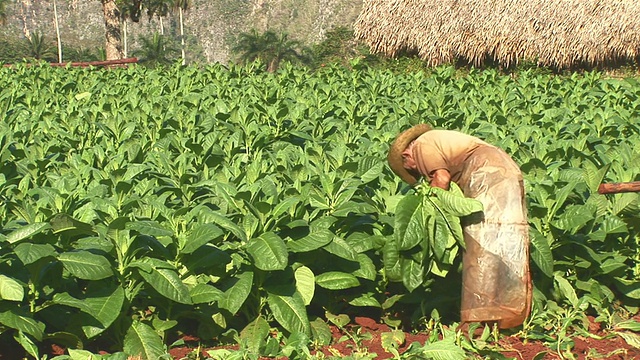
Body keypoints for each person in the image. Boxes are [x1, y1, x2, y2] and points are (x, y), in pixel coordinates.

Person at [387, 124, 532, 329]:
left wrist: (431, 207)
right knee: (505, 241)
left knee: (479, 246)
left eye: (410, 169)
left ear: (406, 155)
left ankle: (475, 321)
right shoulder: (438, 140)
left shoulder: (422, 144)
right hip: (504, 169)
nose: (416, 172)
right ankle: (503, 316)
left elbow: (442, 179)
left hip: (486, 173)